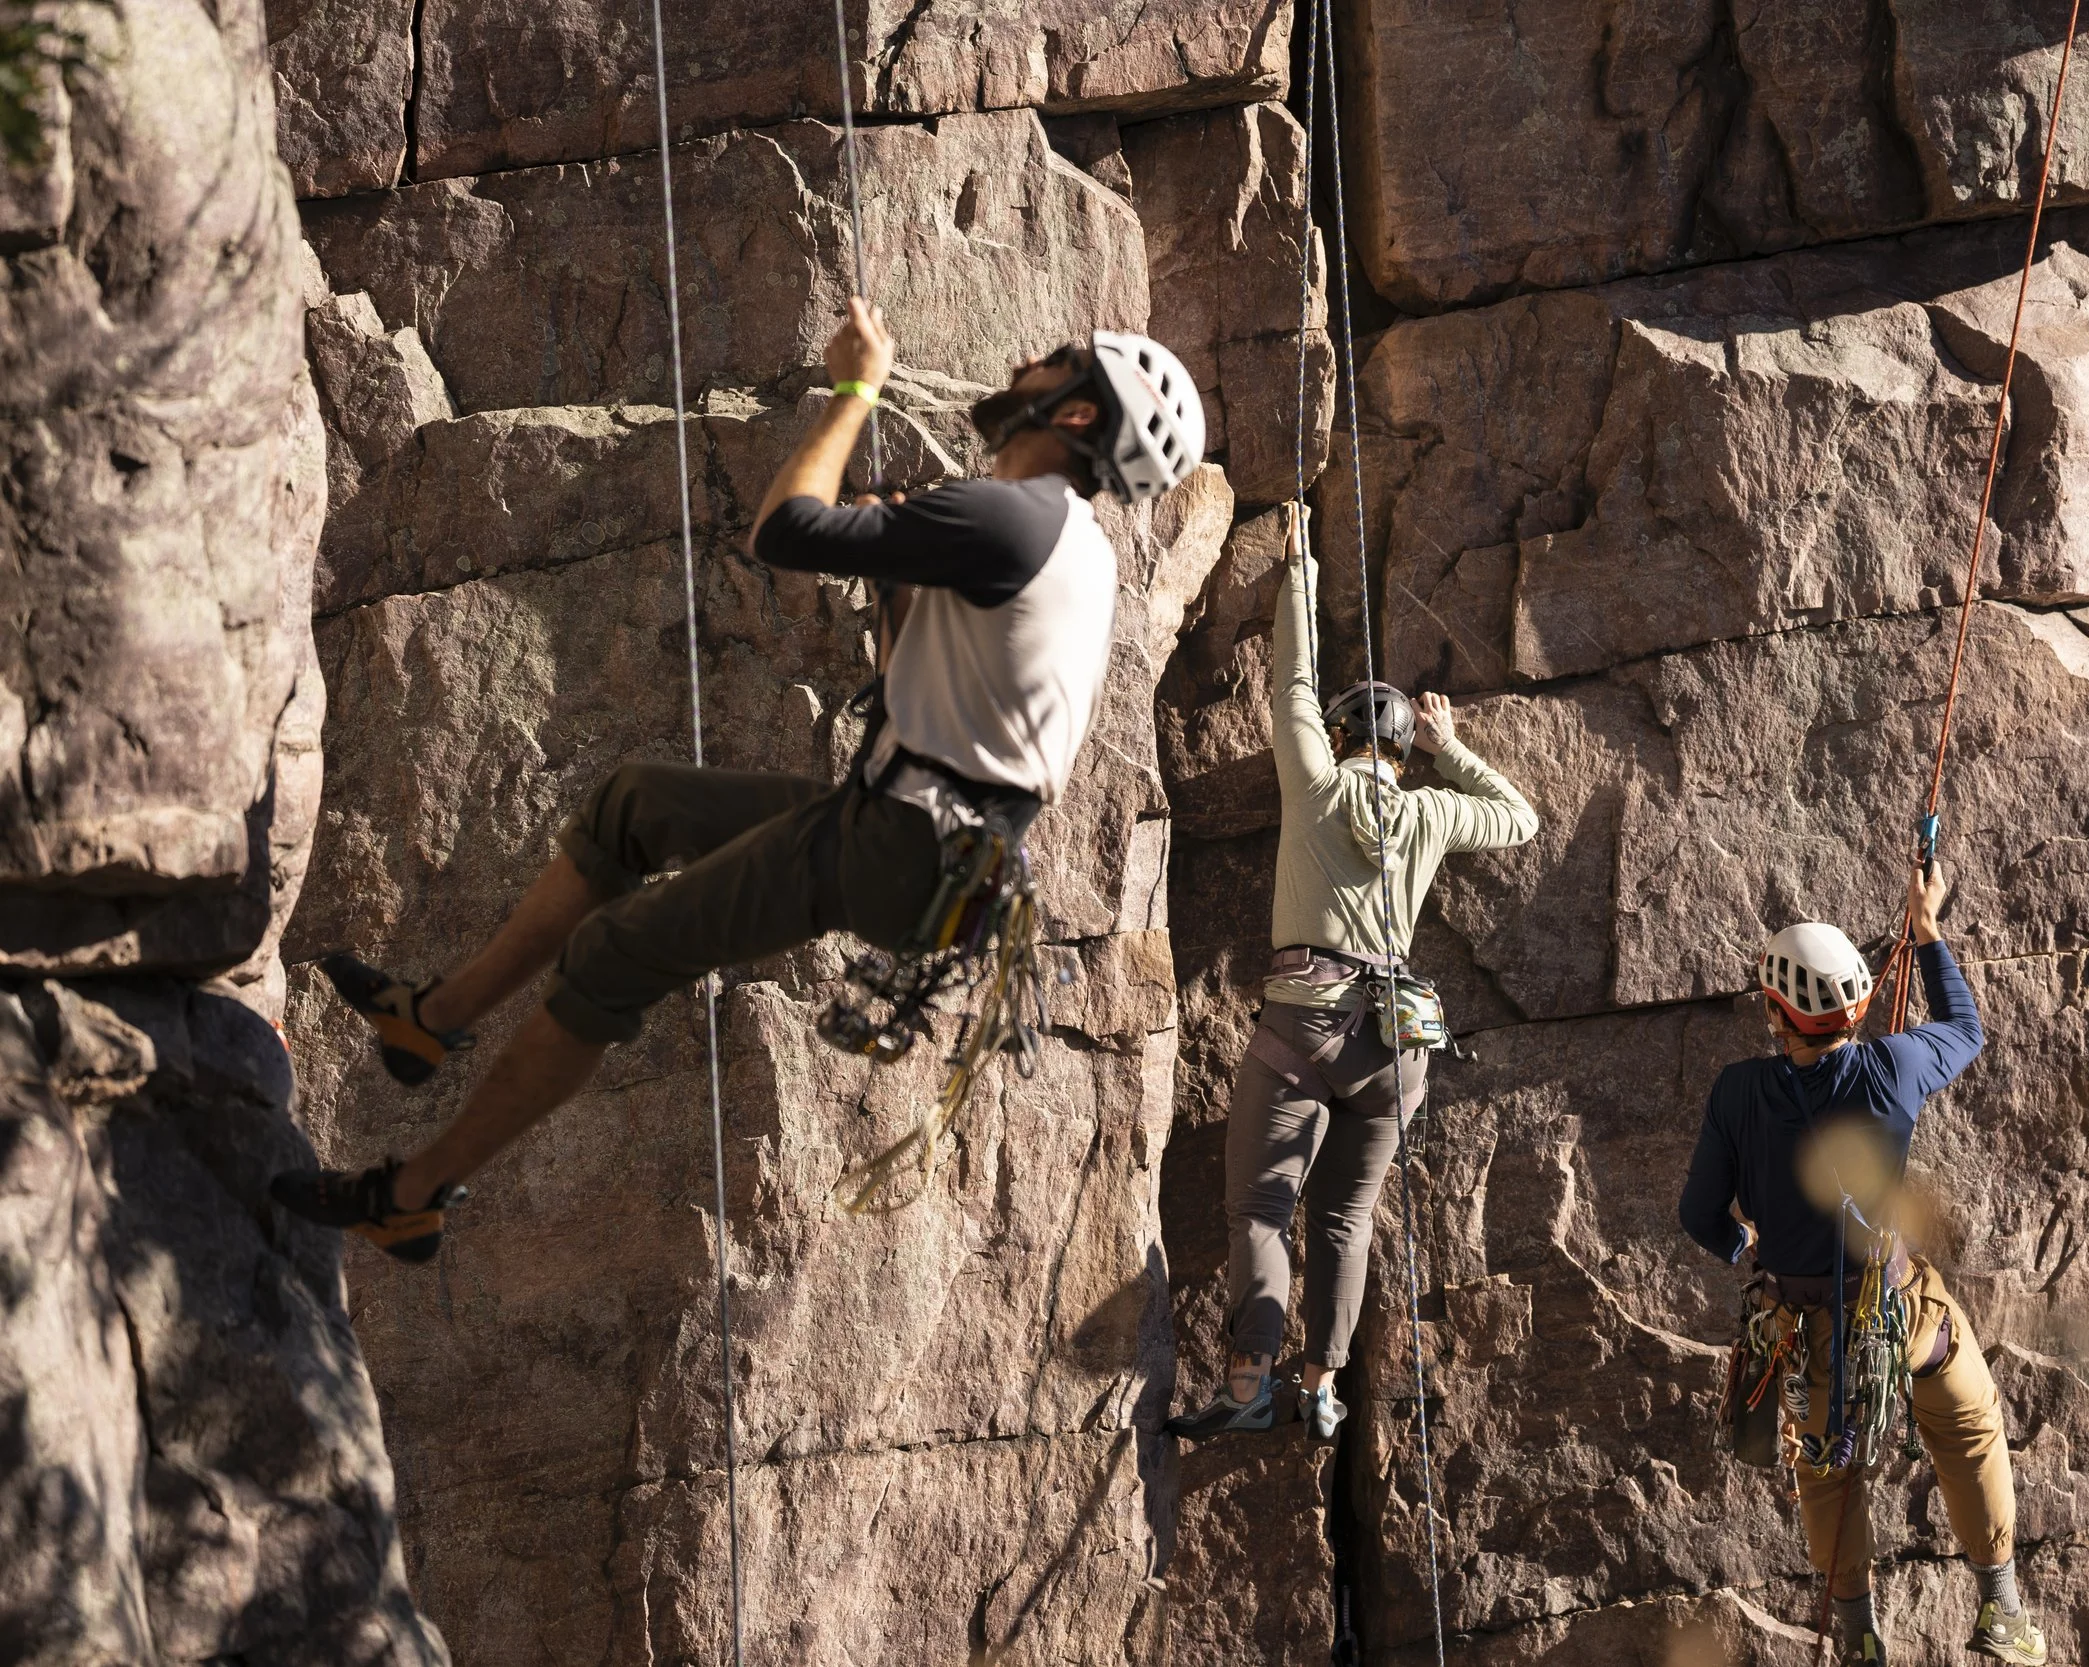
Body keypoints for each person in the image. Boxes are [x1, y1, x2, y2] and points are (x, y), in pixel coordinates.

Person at [273, 297, 1205, 1263]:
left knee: (612, 956)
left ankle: (412, 1194)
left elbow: (787, 529)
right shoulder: (1066, 543)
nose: (1026, 359)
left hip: (905, 841)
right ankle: (433, 1021)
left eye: (1054, 361)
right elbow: (933, 693)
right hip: (924, 841)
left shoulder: (1008, 518)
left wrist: (854, 391)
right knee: (636, 804)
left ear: (1081, 415)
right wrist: (893, 590)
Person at [1169, 540, 1538, 1444]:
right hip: (1397, 1044)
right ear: (1403, 753)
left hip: (1306, 1021)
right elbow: (1521, 818)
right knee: (1346, 1215)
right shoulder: (1429, 808)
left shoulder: (1318, 784)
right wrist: (1451, 749)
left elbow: (1290, 681)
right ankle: (1325, 1384)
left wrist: (1301, 567)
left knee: (1261, 1209)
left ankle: (1251, 1379)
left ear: (1339, 738)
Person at [1676, 870, 2048, 1667]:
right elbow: (1966, 1026)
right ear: (1850, 1006)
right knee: (1970, 1424)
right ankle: (2003, 1608)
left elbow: (1697, 1216)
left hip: (1806, 1330)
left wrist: (1749, 1248)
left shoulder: (1737, 1092)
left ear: (1778, 1012)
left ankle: (1857, 1637)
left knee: (1827, 1473)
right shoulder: (1895, 1067)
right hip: (1901, 1311)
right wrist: (1926, 929)